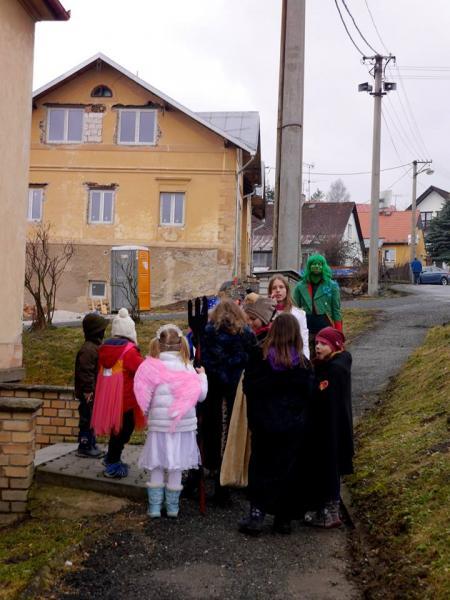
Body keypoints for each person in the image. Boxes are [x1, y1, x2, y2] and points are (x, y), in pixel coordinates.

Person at [238, 313, 313, 535]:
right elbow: (308, 395)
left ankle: (256, 514)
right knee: (287, 469)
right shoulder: (303, 364)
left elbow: (248, 387)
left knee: (260, 466)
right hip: (291, 427)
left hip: (263, 423)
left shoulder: (259, 358)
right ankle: (283, 518)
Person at [134, 324, 208, 518]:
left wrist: (149, 413)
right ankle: (173, 508)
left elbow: (143, 395)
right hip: (182, 427)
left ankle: (154, 508)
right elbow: (201, 396)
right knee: (176, 466)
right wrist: (203, 377)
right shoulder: (188, 368)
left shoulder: (149, 367)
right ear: (182, 345)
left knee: (157, 465)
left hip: (159, 426)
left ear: (157, 345)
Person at [199, 298, 257, 503]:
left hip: (214, 386)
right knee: (233, 430)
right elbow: (253, 357)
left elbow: (203, 359)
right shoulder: (245, 333)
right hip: (236, 388)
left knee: (213, 428)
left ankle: (214, 469)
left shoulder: (208, 332)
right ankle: (229, 472)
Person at [304, 326, 353, 529]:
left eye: (323, 344)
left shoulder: (334, 370)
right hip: (330, 425)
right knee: (327, 467)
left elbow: (320, 394)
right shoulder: (330, 365)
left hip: (330, 427)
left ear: (335, 346)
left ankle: (330, 513)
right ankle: (324, 510)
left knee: (329, 467)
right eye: (317, 343)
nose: (318, 347)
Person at [95, 307, 145, 478]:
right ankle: (112, 462)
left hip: (108, 398)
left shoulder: (104, 348)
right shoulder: (129, 351)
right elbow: (142, 370)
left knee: (116, 430)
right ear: (131, 331)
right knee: (125, 430)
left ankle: (111, 457)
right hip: (125, 399)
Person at [292, 254, 342, 357]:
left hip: (326, 327)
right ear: (309, 266)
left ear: (323, 266)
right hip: (307, 328)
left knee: (326, 357)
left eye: (319, 264)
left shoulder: (332, 285)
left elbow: (336, 310)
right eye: (313, 264)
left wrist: (338, 332)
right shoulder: (300, 286)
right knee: (306, 356)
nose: (316, 266)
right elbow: (294, 308)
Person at [74, 312, 108, 458]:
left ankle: (91, 443)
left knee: (92, 417)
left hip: (94, 391)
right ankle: (85, 445)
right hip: (88, 393)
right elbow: (85, 372)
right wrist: (88, 390)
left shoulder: (94, 347)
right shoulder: (88, 350)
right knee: (87, 418)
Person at [268, 274, 310, 359]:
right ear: (270, 292)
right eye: (274, 288)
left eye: (281, 287)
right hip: (271, 358)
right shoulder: (265, 313)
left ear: (287, 290)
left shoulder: (299, 314)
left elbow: (304, 341)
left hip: (292, 358)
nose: (278, 290)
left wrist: (306, 361)